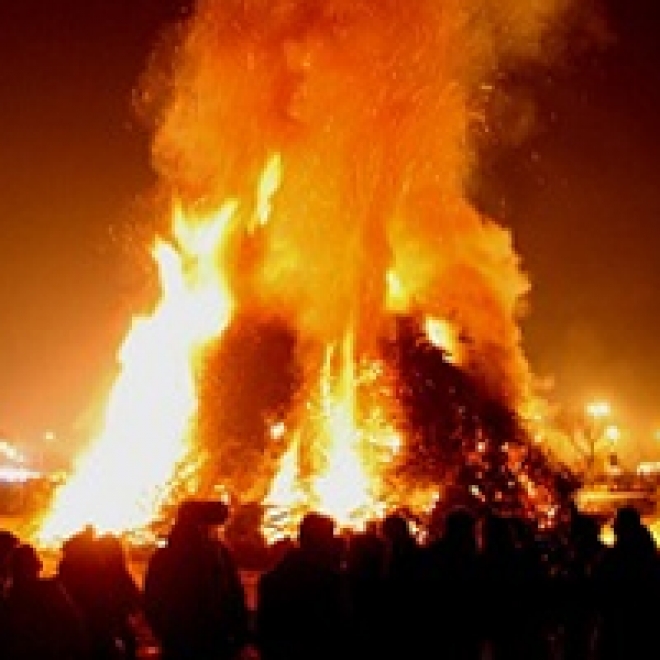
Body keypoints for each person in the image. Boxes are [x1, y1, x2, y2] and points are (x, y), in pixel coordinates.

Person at [143, 499, 249, 660]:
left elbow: (151, 602)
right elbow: (235, 597)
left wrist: (165, 632)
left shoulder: (217, 554)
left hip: (191, 642)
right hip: (203, 642)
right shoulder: (217, 554)